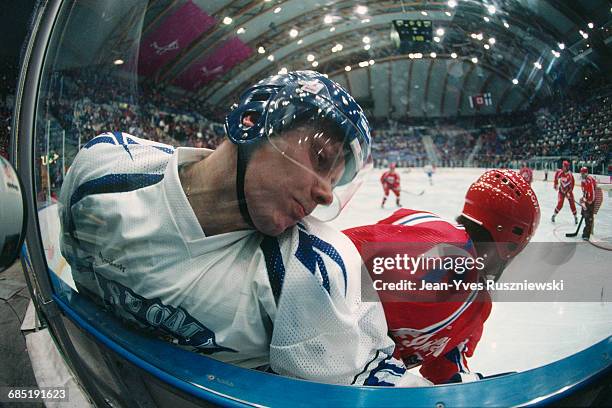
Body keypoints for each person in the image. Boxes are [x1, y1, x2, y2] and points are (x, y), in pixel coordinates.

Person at [59, 71, 429, 387]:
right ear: (250, 120)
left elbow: (364, 389)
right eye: (320, 159)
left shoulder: (312, 270)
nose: (326, 195)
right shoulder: (105, 174)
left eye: (335, 181)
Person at [343, 169, 540, 384]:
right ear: (509, 244)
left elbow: (444, 360)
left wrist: (458, 382)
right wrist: (384, 375)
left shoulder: (478, 304)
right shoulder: (443, 247)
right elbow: (331, 267)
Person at [579, 167, 597, 240]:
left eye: (583, 173)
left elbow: (592, 193)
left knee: (589, 216)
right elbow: (585, 192)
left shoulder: (590, 180)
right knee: (584, 214)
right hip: (588, 199)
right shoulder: (584, 180)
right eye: (581, 173)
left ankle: (588, 233)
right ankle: (588, 231)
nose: (581, 174)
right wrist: (583, 198)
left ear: (586, 173)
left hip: (593, 199)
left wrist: (590, 200)